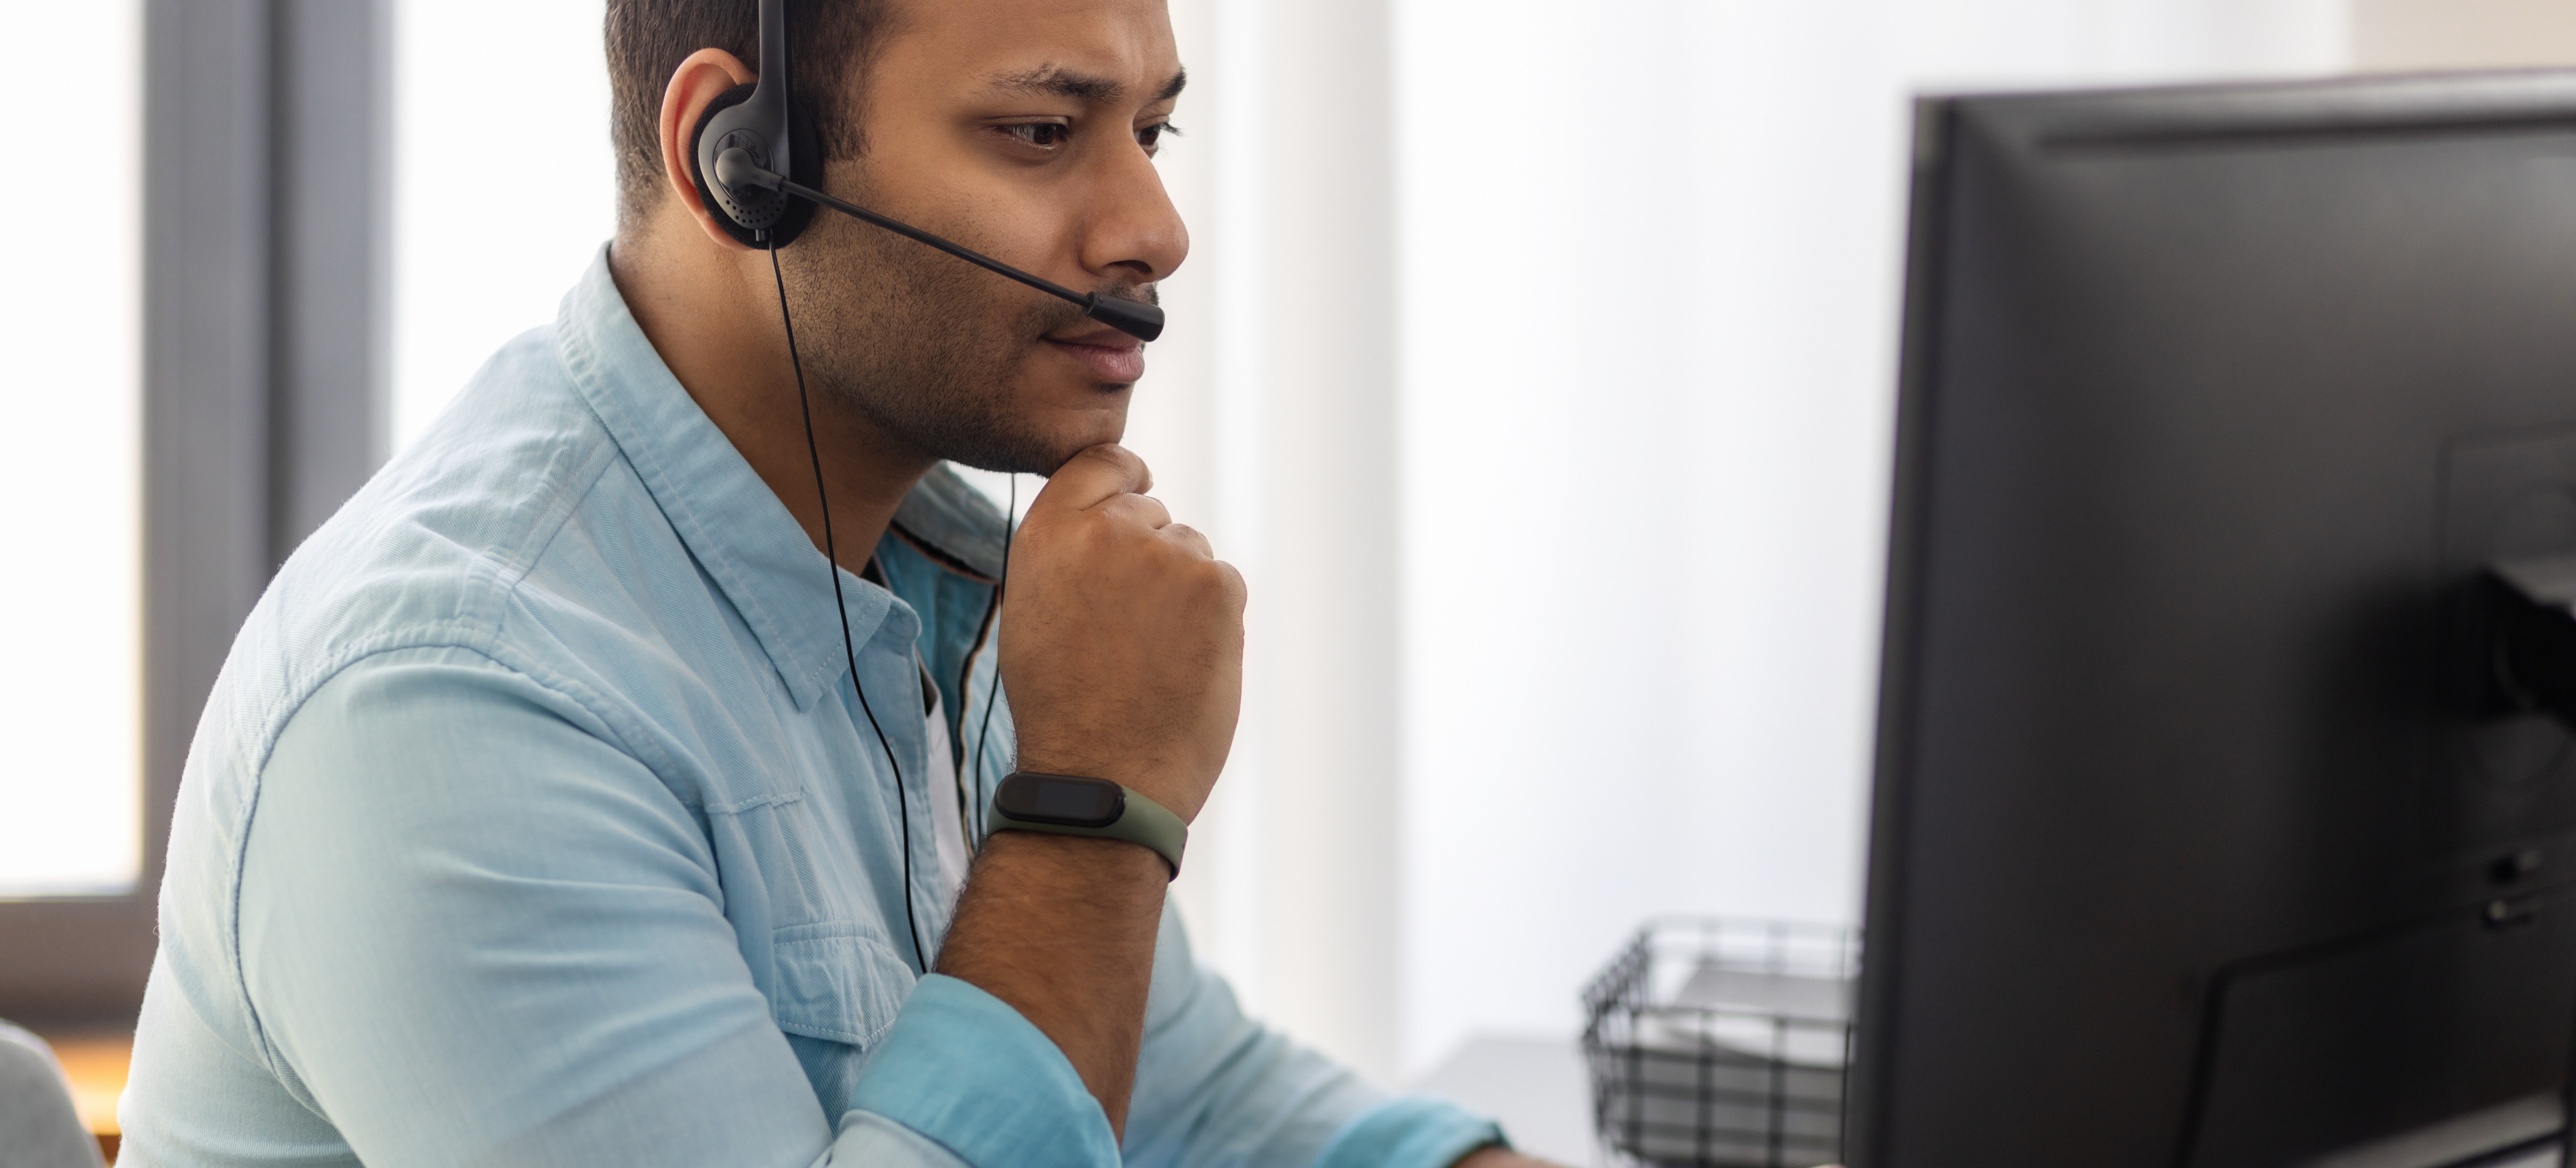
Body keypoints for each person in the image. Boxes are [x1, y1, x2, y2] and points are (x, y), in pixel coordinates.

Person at [119, 0, 1550, 1165]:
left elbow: (1195, 1102)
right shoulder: (448, 708)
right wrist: (1094, 808)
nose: (1156, 230)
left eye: (1153, 130)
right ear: (737, 163)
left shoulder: (953, 580)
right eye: (1042, 133)